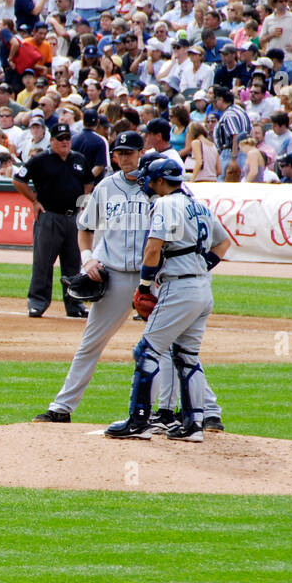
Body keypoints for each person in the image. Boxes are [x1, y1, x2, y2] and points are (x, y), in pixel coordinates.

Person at [32, 134, 224, 432]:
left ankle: (201, 412)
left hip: (157, 278)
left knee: (171, 346)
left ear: (141, 153)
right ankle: (62, 407)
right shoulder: (106, 187)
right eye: (119, 152)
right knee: (92, 343)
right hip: (117, 276)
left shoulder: (162, 187)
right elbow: (85, 229)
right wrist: (88, 259)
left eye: (129, 152)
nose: (124, 158)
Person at [105, 159, 232, 442]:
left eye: (149, 179)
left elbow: (153, 249)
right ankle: (192, 425)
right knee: (187, 357)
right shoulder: (198, 205)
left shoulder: (164, 205)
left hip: (178, 289)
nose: (146, 184)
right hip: (202, 289)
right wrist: (199, 264)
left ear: (160, 181)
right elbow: (224, 243)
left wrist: (144, 285)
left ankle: (139, 422)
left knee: (146, 352)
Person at [12, 124, 93, 319]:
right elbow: (18, 180)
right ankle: (37, 303)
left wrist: (82, 200)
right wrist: (35, 200)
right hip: (49, 216)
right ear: (52, 141)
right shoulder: (41, 160)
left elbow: (89, 181)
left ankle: (75, 304)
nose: (65, 141)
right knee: (43, 262)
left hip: (72, 218)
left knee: (73, 264)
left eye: (67, 138)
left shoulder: (78, 159)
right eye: (60, 138)